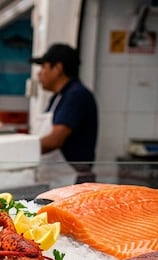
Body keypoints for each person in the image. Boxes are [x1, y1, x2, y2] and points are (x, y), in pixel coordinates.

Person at [30, 43, 98, 182]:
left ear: (58, 69)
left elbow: (55, 140)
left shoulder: (76, 95)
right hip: (57, 178)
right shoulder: (58, 97)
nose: (39, 73)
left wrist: (18, 152)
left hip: (72, 180)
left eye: (43, 67)